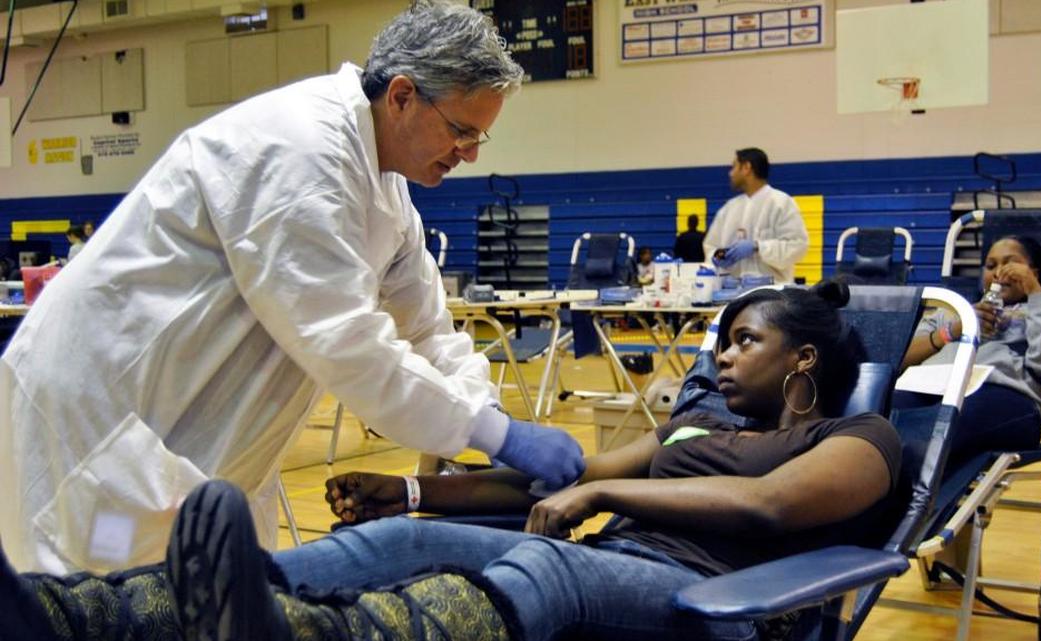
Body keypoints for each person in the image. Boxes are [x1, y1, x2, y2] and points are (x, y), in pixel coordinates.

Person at [0, 0, 583, 575]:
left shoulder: (386, 187)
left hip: (202, 439)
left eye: (481, 137)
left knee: (211, 597)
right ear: (403, 96)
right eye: (462, 131)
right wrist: (499, 434)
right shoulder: (301, 151)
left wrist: (489, 415)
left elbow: (428, 329)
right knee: (95, 597)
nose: (471, 153)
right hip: (102, 423)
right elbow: (347, 343)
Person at [1, 281, 902, 641]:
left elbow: (772, 511)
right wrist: (410, 486)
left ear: (805, 358)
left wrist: (597, 487)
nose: (722, 357)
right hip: (609, 561)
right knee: (394, 542)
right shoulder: (690, 428)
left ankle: (310, 639)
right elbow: (561, 476)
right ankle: (66, 612)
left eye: (744, 340)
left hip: (714, 605)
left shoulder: (860, 441)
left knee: (543, 560)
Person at [898, 235, 1041, 467]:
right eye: (990, 266)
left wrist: (1038, 296)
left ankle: (914, 496)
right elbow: (898, 356)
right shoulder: (952, 314)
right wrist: (955, 329)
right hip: (930, 388)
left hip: (1003, 397)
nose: (999, 272)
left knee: (937, 430)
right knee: (881, 417)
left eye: (1010, 263)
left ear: (1034, 273)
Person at [703, 148, 808, 283]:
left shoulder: (781, 203)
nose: (730, 173)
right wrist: (719, 257)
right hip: (733, 293)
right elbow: (711, 246)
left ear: (746, 167)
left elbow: (797, 246)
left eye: (734, 167)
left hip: (773, 294)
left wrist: (758, 247)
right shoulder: (729, 208)